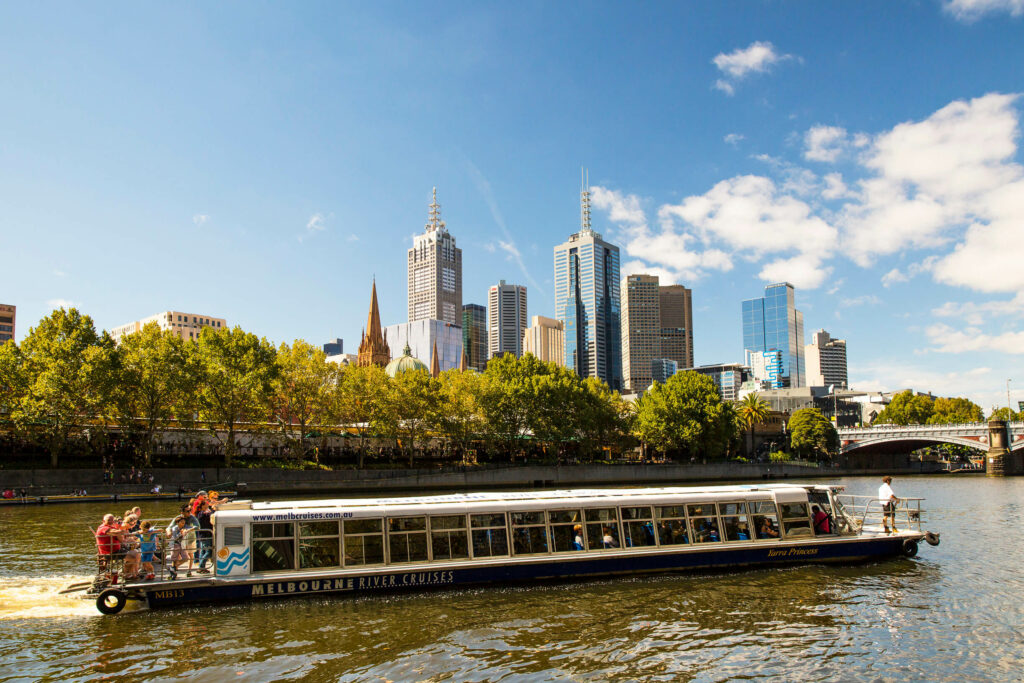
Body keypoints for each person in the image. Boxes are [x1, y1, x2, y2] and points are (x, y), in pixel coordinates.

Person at [95, 514, 124, 582]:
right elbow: (115, 532)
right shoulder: (103, 528)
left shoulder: (110, 527)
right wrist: (121, 531)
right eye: (109, 520)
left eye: (112, 520)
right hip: (110, 552)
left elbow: (120, 538)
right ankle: (130, 574)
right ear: (103, 521)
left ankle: (129, 573)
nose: (111, 521)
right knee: (134, 555)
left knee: (134, 551)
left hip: (114, 551)